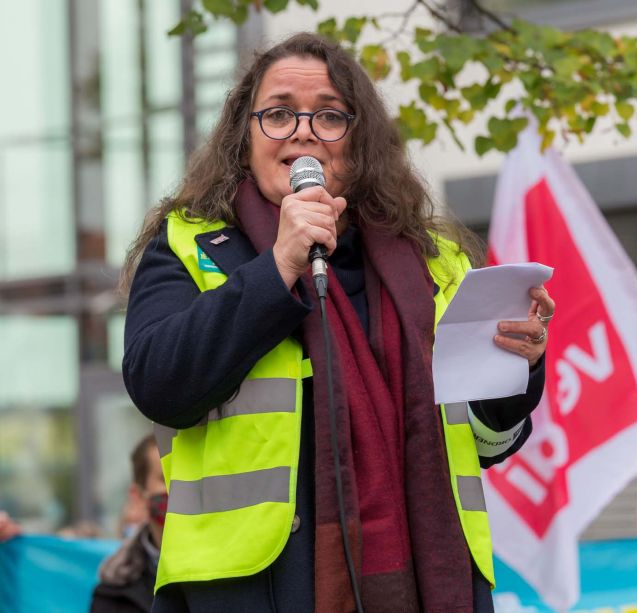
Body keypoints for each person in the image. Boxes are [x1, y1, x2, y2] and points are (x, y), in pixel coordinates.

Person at [121, 32, 553, 613]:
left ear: (359, 142)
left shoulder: (435, 264)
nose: (302, 131)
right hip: (251, 590)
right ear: (243, 138)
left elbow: (483, 442)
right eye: (278, 114)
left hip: (430, 583)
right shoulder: (187, 245)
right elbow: (159, 385)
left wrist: (518, 369)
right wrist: (278, 268)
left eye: (328, 116)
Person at [91, 434, 166, 613]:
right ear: (138, 496)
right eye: (168, 477)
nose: (183, 487)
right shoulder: (112, 594)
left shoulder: (235, 574)